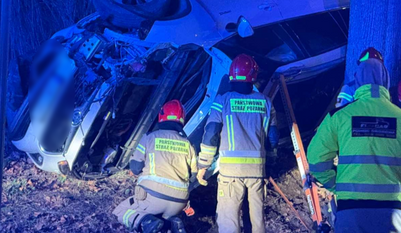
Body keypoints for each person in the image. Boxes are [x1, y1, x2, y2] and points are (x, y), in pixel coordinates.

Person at [308, 48, 401, 233]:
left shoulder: (339, 116)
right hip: (392, 211)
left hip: (350, 210)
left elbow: (315, 158)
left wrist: (335, 185)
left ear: (357, 78)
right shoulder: (398, 116)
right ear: (385, 78)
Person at [196, 54, 279, 233]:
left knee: (229, 219)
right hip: (257, 172)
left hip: (231, 173)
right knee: (256, 221)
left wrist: (203, 165)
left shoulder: (222, 101)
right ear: (253, 76)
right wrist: (269, 164)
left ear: (232, 76)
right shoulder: (266, 102)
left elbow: (211, 134)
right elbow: (272, 137)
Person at [113, 100, 197, 233]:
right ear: (182, 119)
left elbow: (135, 167)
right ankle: (172, 225)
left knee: (121, 211)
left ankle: (146, 222)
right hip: (179, 202)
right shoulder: (188, 144)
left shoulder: (149, 138)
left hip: (152, 197)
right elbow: (193, 175)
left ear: (161, 116)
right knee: (162, 224)